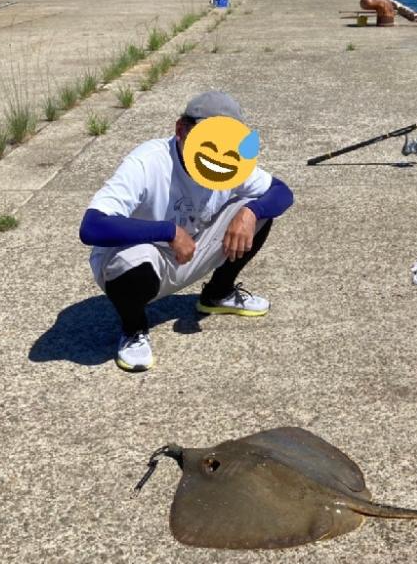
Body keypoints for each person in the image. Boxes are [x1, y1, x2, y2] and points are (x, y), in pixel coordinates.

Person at [79, 91, 294, 372]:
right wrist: (167, 231)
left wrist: (251, 213)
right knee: (130, 262)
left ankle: (218, 294)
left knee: (257, 211)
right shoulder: (148, 162)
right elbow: (91, 226)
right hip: (146, 260)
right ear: (181, 129)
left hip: (190, 250)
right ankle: (133, 330)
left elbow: (281, 192)